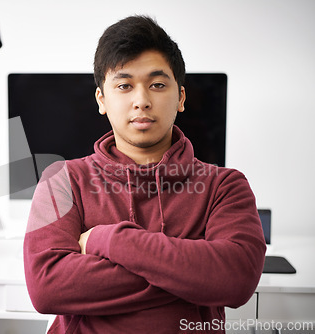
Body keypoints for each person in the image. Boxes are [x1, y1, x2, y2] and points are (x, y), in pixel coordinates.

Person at [23, 15, 266, 334]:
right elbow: (47, 288)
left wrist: (104, 238)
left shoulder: (225, 186)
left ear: (180, 97)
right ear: (102, 99)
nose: (142, 101)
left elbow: (234, 280)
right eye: (124, 85)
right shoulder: (62, 180)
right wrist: (192, 273)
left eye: (157, 85)